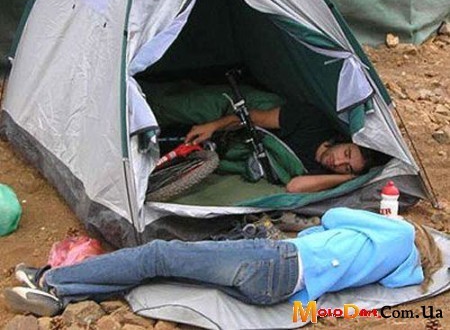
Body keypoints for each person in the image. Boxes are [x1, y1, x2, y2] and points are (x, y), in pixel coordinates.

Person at [4, 208, 441, 317]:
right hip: (274, 290)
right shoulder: (399, 273)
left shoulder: (400, 234)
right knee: (165, 272)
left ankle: (50, 280)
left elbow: (334, 216)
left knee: (159, 255)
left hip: (276, 262)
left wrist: (396, 221)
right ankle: (64, 295)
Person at [185, 101, 391, 193]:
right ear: (345, 140)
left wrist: (346, 179)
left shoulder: (322, 175)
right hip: (243, 116)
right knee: (188, 106)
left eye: (346, 167)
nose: (337, 162)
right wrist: (213, 126)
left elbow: (294, 186)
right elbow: (254, 117)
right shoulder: (313, 121)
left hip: (245, 149)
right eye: (346, 153)